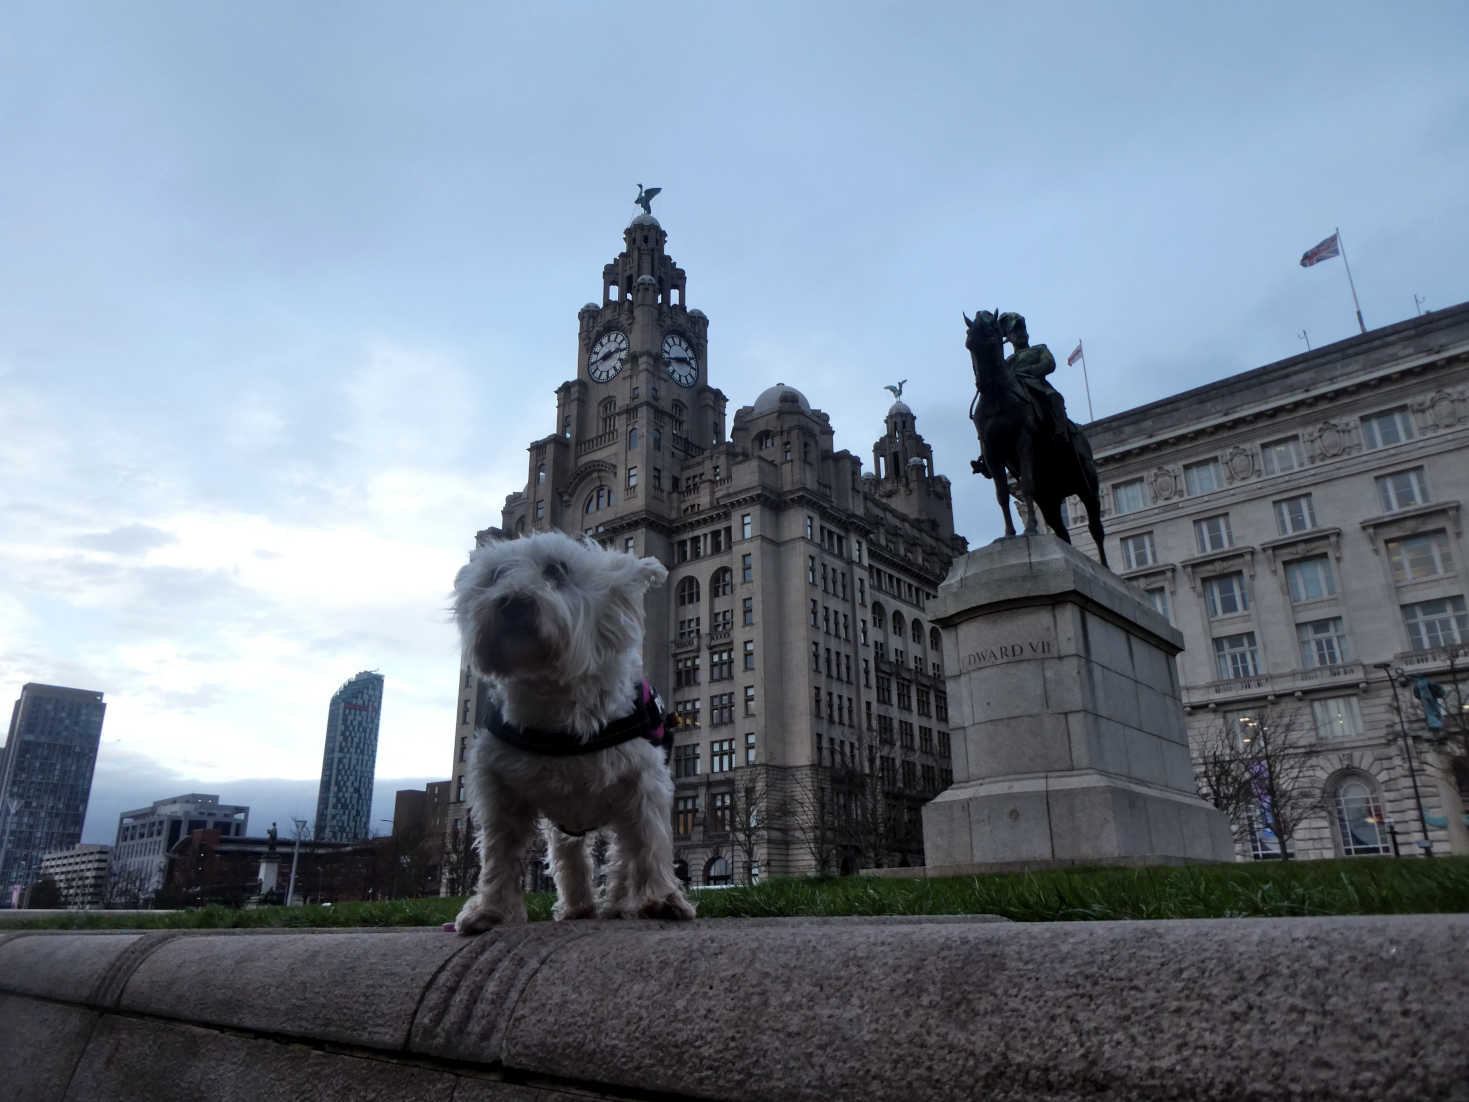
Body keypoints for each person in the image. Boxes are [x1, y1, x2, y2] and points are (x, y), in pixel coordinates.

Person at [998, 312, 1070, 444]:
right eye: (1015, 331)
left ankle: (1061, 431)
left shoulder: (1039, 349)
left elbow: (1049, 364)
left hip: (1038, 386)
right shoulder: (1008, 361)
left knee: (1054, 397)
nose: (1020, 333)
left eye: (1022, 329)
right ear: (1008, 338)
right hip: (1017, 391)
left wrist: (1027, 371)